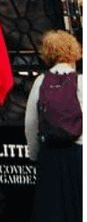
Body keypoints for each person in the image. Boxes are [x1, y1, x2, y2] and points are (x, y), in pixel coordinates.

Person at [24, 29, 82, 222]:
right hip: (78, 155)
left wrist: (34, 154)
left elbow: (31, 123)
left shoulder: (41, 82)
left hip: (50, 155)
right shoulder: (82, 81)